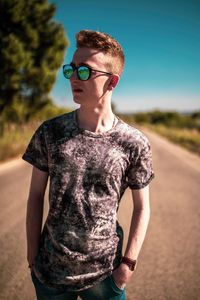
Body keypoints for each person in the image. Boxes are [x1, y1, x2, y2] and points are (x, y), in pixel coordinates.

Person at [23, 29, 154, 300]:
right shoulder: (51, 131)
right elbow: (35, 196)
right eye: (71, 70)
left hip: (106, 275)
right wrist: (32, 255)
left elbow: (142, 208)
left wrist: (127, 265)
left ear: (112, 82)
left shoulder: (133, 142)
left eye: (85, 71)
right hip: (50, 273)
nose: (73, 78)